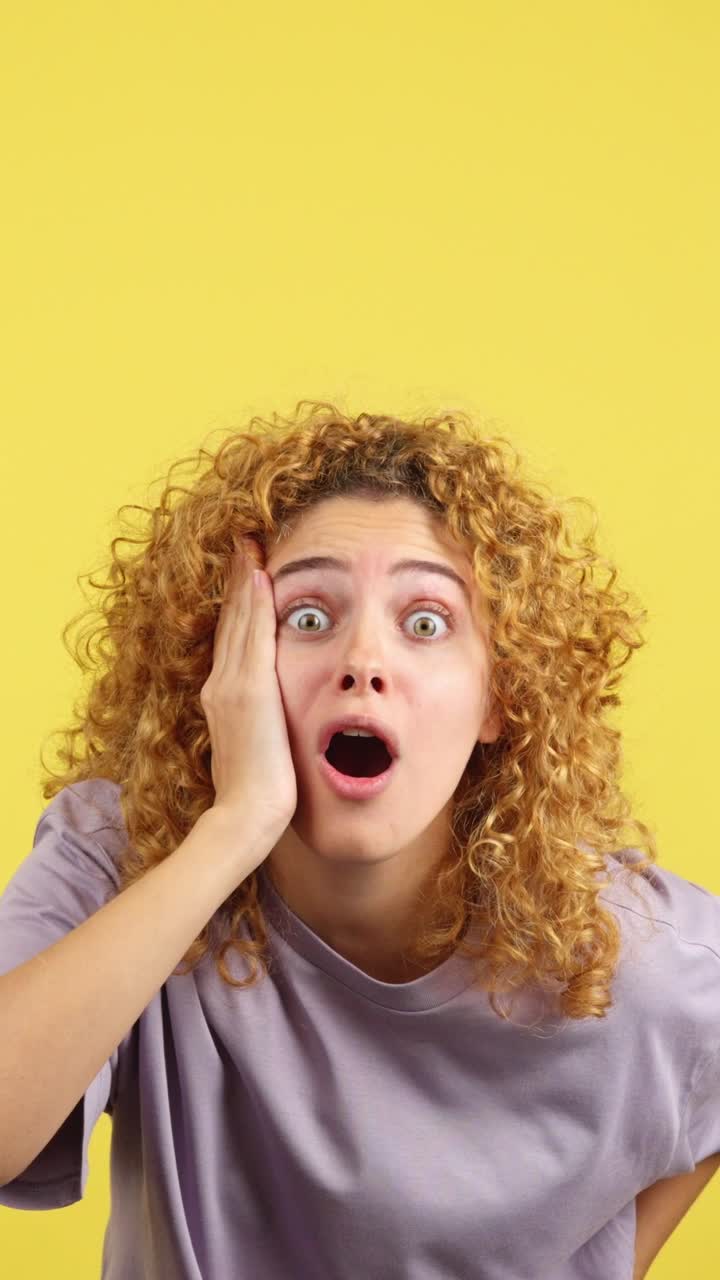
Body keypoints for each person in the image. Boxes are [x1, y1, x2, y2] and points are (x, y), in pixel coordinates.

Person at [1, 400, 719, 1278]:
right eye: (306, 618)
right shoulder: (124, 858)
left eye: (426, 622)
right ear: (219, 666)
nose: (362, 658)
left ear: (501, 697)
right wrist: (233, 829)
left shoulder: (635, 958)